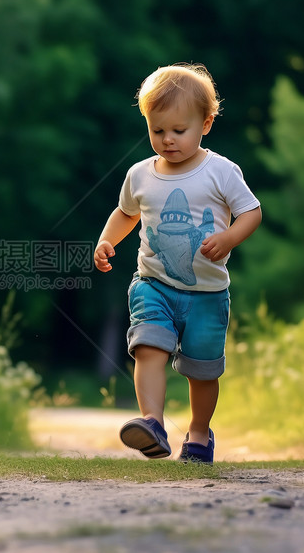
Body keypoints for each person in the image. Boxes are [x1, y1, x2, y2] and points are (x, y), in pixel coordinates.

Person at [93, 63, 262, 463]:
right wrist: (105, 239)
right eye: (157, 131)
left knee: (202, 371)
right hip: (153, 283)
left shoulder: (220, 171)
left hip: (207, 294)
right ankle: (152, 422)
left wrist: (228, 237)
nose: (167, 140)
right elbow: (125, 213)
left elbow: (251, 212)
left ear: (205, 124)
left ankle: (199, 433)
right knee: (148, 346)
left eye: (178, 131)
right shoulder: (140, 175)